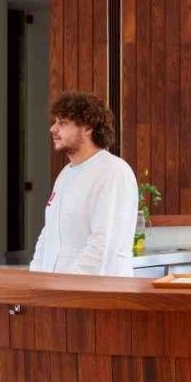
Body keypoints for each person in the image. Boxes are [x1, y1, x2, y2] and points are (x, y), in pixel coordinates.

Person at [30, 91, 138, 277]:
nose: (53, 129)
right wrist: (36, 277)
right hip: (56, 288)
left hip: (92, 290)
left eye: (63, 123)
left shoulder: (113, 171)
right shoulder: (65, 174)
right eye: (55, 122)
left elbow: (103, 244)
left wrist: (68, 286)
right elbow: (49, 234)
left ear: (88, 127)